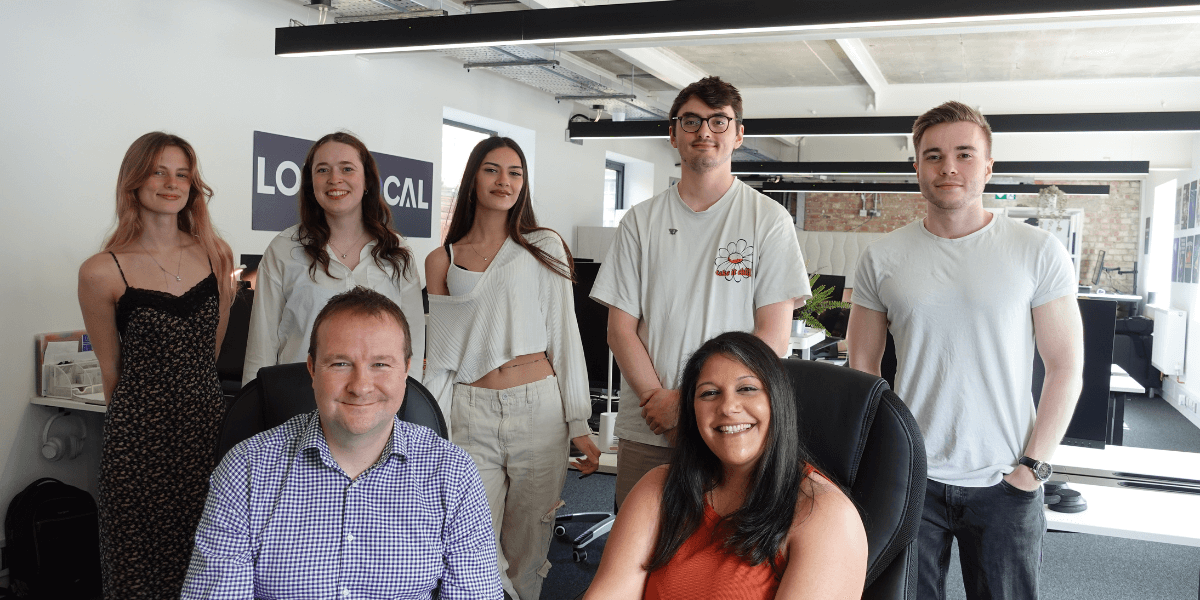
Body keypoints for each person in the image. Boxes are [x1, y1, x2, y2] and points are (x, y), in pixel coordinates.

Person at [846, 101, 1085, 599]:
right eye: (933, 155)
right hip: (911, 477)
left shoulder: (1035, 250)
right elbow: (862, 366)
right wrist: (880, 458)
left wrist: (1034, 467)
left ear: (989, 165)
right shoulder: (881, 256)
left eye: (964, 154)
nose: (948, 167)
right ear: (916, 166)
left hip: (1005, 479)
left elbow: (1065, 366)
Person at [181, 287, 503, 599]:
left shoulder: (453, 473)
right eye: (340, 363)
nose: (361, 386)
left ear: (406, 370)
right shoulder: (245, 469)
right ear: (312, 369)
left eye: (380, 364)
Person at [590, 76, 810, 509]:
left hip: (734, 428)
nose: (704, 132)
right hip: (651, 428)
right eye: (690, 121)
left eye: (718, 121)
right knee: (642, 557)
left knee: (728, 561)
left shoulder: (769, 220)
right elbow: (621, 331)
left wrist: (698, 408)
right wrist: (663, 405)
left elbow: (773, 338)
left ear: (738, 134)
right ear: (673, 134)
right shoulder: (640, 221)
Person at [424, 136, 601, 600]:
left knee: (530, 543)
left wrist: (579, 421)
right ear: (472, 178)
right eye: (492, 170)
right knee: (472, 543)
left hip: (537, 408)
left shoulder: (543, 246)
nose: (505, 181)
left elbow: (565, 338)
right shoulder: (442, 259)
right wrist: (427, 430)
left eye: (515, 172)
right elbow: (442, 358)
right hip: (470, 410)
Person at [584, 332, 867, 599]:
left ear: (777, 401)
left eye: (747, 388)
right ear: (691, 410)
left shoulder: (825, 514)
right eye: (709, 393)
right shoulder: (658, 488)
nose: (728, 407)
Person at [77, 131, 236, 599]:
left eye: (182, 174)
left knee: (208, 563)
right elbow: (112, 373)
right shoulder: (101, 270)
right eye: (158, 171)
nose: (171, 183)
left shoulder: (216, 254)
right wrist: (137, 433)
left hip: (206, 434)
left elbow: (211, 352)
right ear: (134, 180)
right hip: (138, 444)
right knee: (138, 573)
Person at [243, 131, 424, 385]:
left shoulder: (396, 252)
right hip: (298, 402)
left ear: (367, 181)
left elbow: (412, 342)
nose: (334, 179)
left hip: (376, 404)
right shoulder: (284, 249)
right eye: (323, 170)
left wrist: (408, 406)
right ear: (311, 182)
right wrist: (255, 409)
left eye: (347, 169)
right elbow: (262, 343)